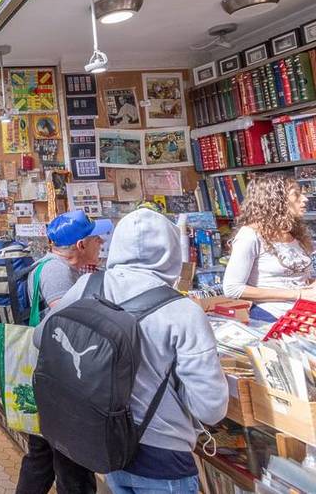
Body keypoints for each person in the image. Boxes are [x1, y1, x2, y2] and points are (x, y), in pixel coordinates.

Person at [38, 208, 228, 494]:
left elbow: (42, 337)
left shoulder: (88, 286)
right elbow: (210, 408)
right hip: (163, 457)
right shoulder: (184, 311)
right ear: (171, 250)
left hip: (107, 443)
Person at [16, 210, 112, 494]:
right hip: (60, 381)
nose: (101, 244)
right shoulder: (57, 272)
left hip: (49, 378)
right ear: (81, 245)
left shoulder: (54, 266)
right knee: (71, 464)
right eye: (96, 239)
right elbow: (64, 324)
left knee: (42, 457)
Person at [223, 174, 316, 321]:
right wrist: (298, 294)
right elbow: (233, 289)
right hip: (271, 318)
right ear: (276, 200)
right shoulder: (250, 235)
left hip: (303, 315)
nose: (304, 199)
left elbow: (298, 278)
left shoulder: (295, 233)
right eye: (296, 194)